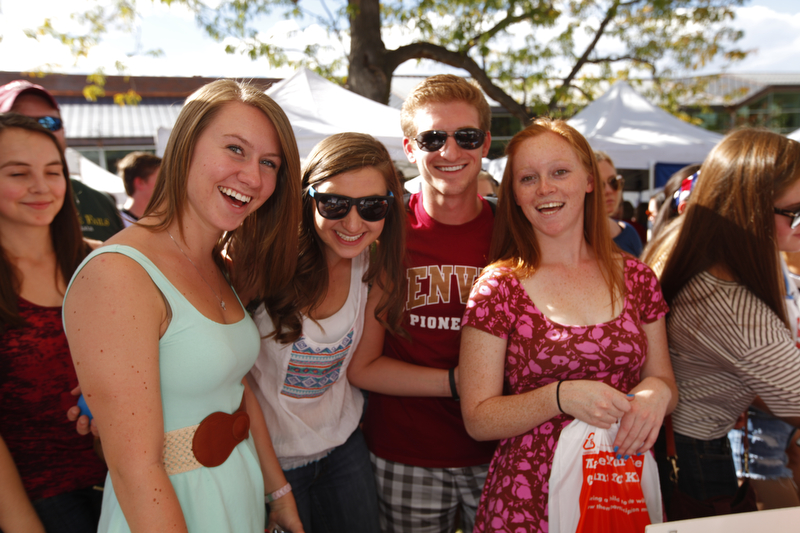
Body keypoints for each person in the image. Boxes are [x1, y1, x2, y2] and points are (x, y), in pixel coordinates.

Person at [62, 80, 304, 533]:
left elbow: (235, 389)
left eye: (269, 163)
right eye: (235, 149)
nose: (253, 177)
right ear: (186, 144)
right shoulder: (117, 273)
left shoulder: (218, 264)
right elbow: (137, 471)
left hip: (239, 493)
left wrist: (279, 495)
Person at [459, 118, 678, 531]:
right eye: (528, 178)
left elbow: (665, 381)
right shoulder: (499, 286)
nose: (545, 188)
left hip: (621, 483)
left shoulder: (636, 277)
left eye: (559, 171)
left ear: (589, 181)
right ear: (516, 197)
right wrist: (559, 396)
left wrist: (653, 396)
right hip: (528, 498)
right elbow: (479, 418)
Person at [348, 74, 498, 533]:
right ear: (410, 148)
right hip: (405, 453)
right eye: (433, 138)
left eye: (466, 137)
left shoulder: (515, 232)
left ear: (485, 143)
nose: (450, 152)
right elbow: (362, 366)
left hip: (501, 450)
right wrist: (460, 384)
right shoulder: (383, 232)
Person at [248, 132, 405, 532]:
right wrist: (276, 488)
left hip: (342, 450)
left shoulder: (374, 271)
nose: (353, 223)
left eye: (372, 206)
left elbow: (362, 369)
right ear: (307, 198)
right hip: (267, 460)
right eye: (333, 204)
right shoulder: (258, 264)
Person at [656, 128, 800, 511]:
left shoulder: (684, 240)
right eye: (796, 212)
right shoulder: (729, 299)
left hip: (681, 445)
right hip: (695, 456)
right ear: (749, 208)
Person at [0, 113, 106, 533]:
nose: (41, 187)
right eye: (18, 173)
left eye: (52, 171)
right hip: (43, 502)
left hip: (131, 480)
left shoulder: (100, 261)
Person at [0, 80, 124, 241]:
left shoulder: (99, 202)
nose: (40, 132)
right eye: (22, 121)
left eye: (50, 123)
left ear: (63, 130)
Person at [595, 150, 642, 256]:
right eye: (598, 184)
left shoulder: (628, 232)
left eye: (613, 182)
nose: (609, 191)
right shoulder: (572, 238)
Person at [116, 151, 161, 227]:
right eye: (161, 179)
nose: (167, 185)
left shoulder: (163, 222)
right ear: (140, 183)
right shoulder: (114, 223)